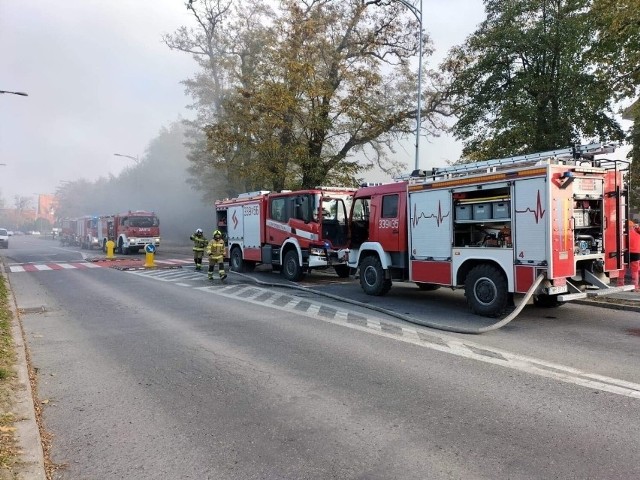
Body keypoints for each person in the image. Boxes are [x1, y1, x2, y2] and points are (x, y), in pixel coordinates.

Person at [627, 220, 640, 292]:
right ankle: (635, 287)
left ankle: (620, 285)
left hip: (625, 253)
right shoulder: (638, 234)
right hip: (636, 254)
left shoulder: (624, 234)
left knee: (622, 271)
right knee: (635, 271)